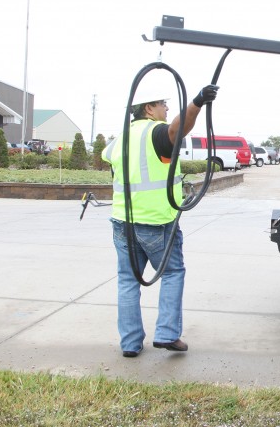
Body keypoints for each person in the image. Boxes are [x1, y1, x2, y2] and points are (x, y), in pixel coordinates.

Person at [102, 83, 218, 358]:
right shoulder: (155, 133)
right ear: (148, 108)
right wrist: (198, 102)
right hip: (156, 223)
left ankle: (130, 343)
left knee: (128, 281)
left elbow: (108, 158)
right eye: (162, 103)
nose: (167, 108)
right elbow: (178, 130)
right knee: (173, 272)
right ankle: (167, 333)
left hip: (122, 222)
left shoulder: (120, 138)